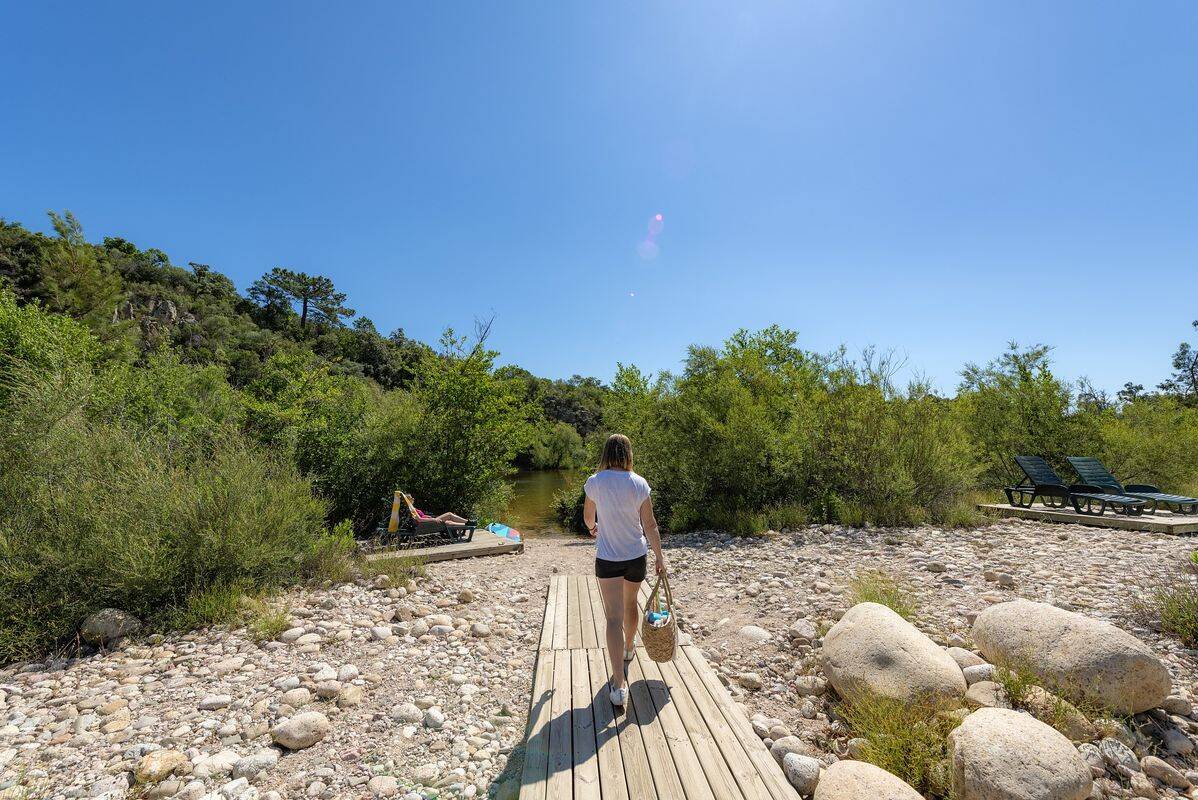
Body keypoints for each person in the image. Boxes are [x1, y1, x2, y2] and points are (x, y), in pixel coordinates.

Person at [583, 433, 667, 706]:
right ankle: (630, 648)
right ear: (628, 453)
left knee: (612, 618)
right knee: (632, 603)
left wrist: (593, 527)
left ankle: (619, 685)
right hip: (635, 556)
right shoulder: (639, 483)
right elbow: (650, 524)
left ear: (606, 453)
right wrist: (660, 557)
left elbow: (588, 518)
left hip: (608, 557)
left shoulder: (595, 482)